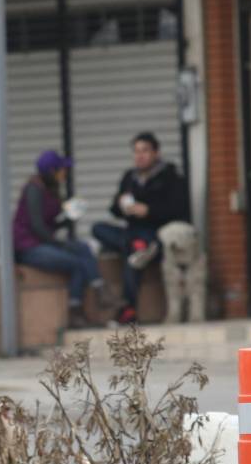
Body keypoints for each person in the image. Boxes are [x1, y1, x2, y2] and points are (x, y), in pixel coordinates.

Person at [91, 132, 190, 324]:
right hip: (132, 232)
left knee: (133, 256)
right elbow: (114, 210)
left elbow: (179, 209)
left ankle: (128, 310)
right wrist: (121, 206)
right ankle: (139, 247)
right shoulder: (129, 177)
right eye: (136, 152)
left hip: (157, 232)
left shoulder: (170, 176)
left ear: (156, 153)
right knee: (99, 229)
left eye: (145, 151)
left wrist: (148, 211)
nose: (140, 156)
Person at [13, 150, 112, 328]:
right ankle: (75, 313)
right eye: (61, 170)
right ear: (52, 171)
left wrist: (68, 217)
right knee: (76, 264)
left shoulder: (51, 190)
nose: (64, 173)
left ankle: (100, 288)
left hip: (44, 242)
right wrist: (60, 244)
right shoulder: (34, 189)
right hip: (29, 247)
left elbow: (52, 223)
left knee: (82, 248)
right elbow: (37, 227)